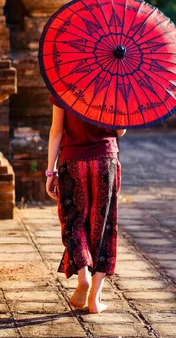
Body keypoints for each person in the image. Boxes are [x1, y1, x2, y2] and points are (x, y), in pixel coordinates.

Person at [46, 93, 126, 314]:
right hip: (105, 160)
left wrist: (50, 171)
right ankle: (95, 299)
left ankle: (83, 274)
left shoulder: (62, 87)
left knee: (74, 221)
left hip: (72, 160)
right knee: (104, 226)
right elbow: (120, 131)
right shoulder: (114, 89)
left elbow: (56, 131)